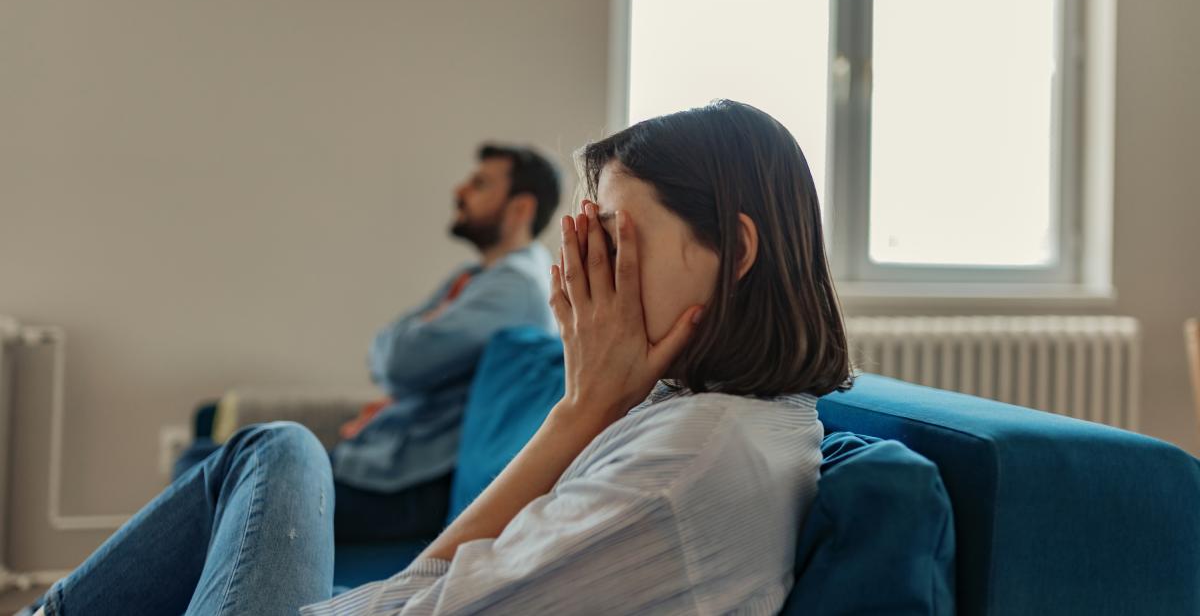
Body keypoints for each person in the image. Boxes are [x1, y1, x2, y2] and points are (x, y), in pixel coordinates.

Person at [32, 100, 851, 616]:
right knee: (263, 456)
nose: (583, 272)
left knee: (271, 451)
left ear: (735, 250)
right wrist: (583, 412)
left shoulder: (688, 460)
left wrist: (582, 412)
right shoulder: (702, 415)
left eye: (609, 236)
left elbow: (417, 589)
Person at [329, 144, 560, 541]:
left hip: (410, 483)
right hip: (388, 465)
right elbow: (385, 351)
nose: (459, 191)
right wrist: (406, 345)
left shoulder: (515, 287)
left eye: (480, 184)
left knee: (241, 472)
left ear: (520, 208)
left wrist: (411, 340)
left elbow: (398, 360)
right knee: (230, 461)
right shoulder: (475, 277)